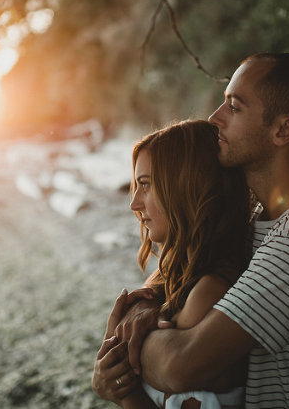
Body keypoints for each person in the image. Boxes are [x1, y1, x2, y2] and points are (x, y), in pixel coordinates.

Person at [97, 53, 289, 408]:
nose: (214, 118)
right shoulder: (256, 211)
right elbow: (183, 272)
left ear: (283, 130)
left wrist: (121, 352)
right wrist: (145, 311)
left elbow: (181, 367)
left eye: (234, 107)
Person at [93, 119, 252, 408]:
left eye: (146, 185)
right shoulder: (182, 277)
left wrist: (123, 386)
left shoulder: (209, 292)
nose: (134, 204)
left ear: (186, 187)